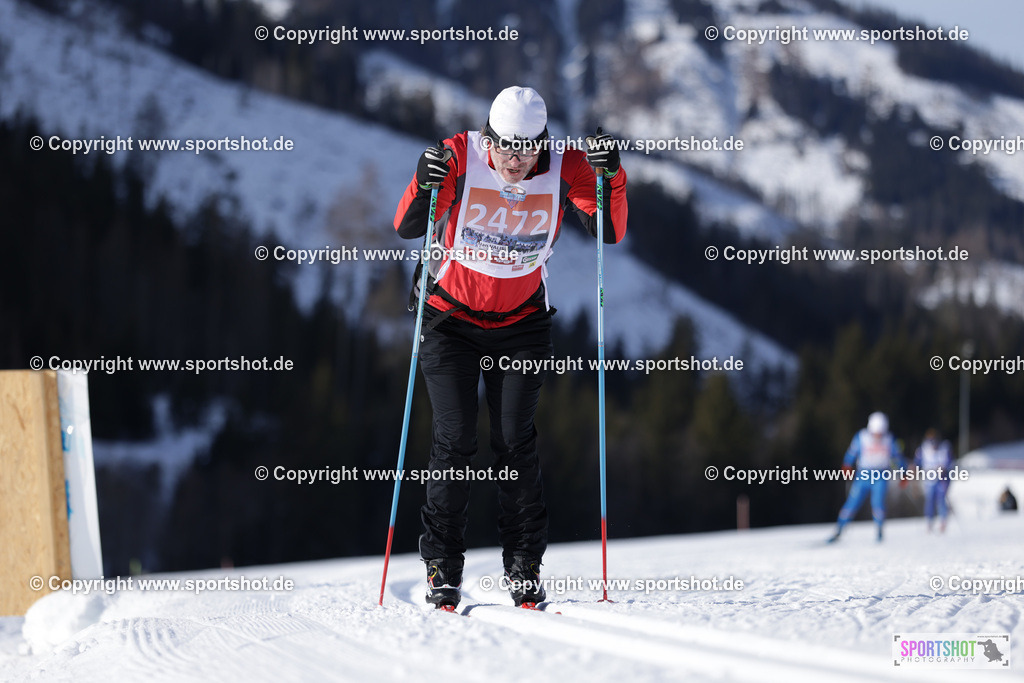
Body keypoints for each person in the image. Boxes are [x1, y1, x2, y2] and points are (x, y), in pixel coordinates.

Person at [392, 86, 628, 608]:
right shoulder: (459, 155)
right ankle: (441, 566)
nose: (516, 160)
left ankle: (523, 566)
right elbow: (408, 224)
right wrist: (423, 179)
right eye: (505, 147)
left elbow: (607, 230)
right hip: (450, 319)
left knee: (514, 444)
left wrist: (613, 177)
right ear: (488, 137)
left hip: (521, 323)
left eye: (527, 148)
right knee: (455, 442)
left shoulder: (566, 166)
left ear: (543, 141)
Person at [827, 412, 905, 543]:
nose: (877, 436)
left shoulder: (889, 439)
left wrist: (903, 472)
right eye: (875, 433)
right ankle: (839, 528)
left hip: (881, 475)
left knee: (878, 503)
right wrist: (847, 465)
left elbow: (897, 458)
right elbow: (851, 453)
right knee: (852, 503)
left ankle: (879, 531)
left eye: (880, 433)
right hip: (863, 475)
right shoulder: (861, 437)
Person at [912, 428, 953, 532]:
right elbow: (916, 463)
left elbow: (950, 463)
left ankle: (943, 520)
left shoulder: (944, 448)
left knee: (941, 499)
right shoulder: (923, 449)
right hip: (929, 480)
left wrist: (943, 469)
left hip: (942, 480)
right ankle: (929, 521)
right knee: (930, 500)